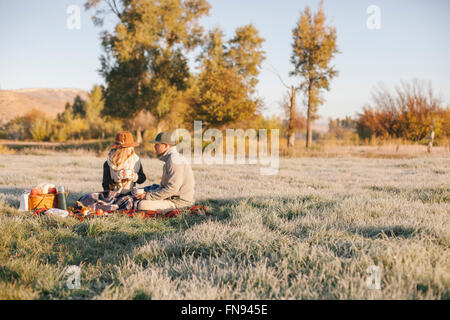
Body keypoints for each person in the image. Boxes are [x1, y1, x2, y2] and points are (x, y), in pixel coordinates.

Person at [135, 132, 195, 211]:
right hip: (172, 198)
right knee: (147, 190)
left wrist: (147, 196)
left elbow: (172, 189)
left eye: (157, 144)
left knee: (142, 205)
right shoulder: (172, 158)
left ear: (166, 145)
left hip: (178, 203)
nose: (154, 146)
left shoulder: (174, 160)